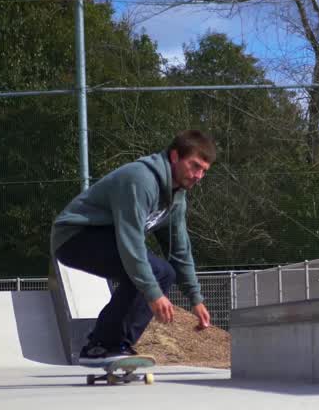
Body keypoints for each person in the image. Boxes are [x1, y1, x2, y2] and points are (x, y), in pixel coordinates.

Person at [51, 130, 215, 363]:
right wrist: (152, 293)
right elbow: (131, 243)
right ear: (175, 156)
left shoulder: (177, 199)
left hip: (105, 237)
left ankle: (116, 345)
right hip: (75, 235)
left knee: (164, 272)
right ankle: (100, 345)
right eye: (194, 166)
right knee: (154, 272)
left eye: (204, 171)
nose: (198, 175)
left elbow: (180, 251)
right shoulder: (141, 180)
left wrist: (196, 299)